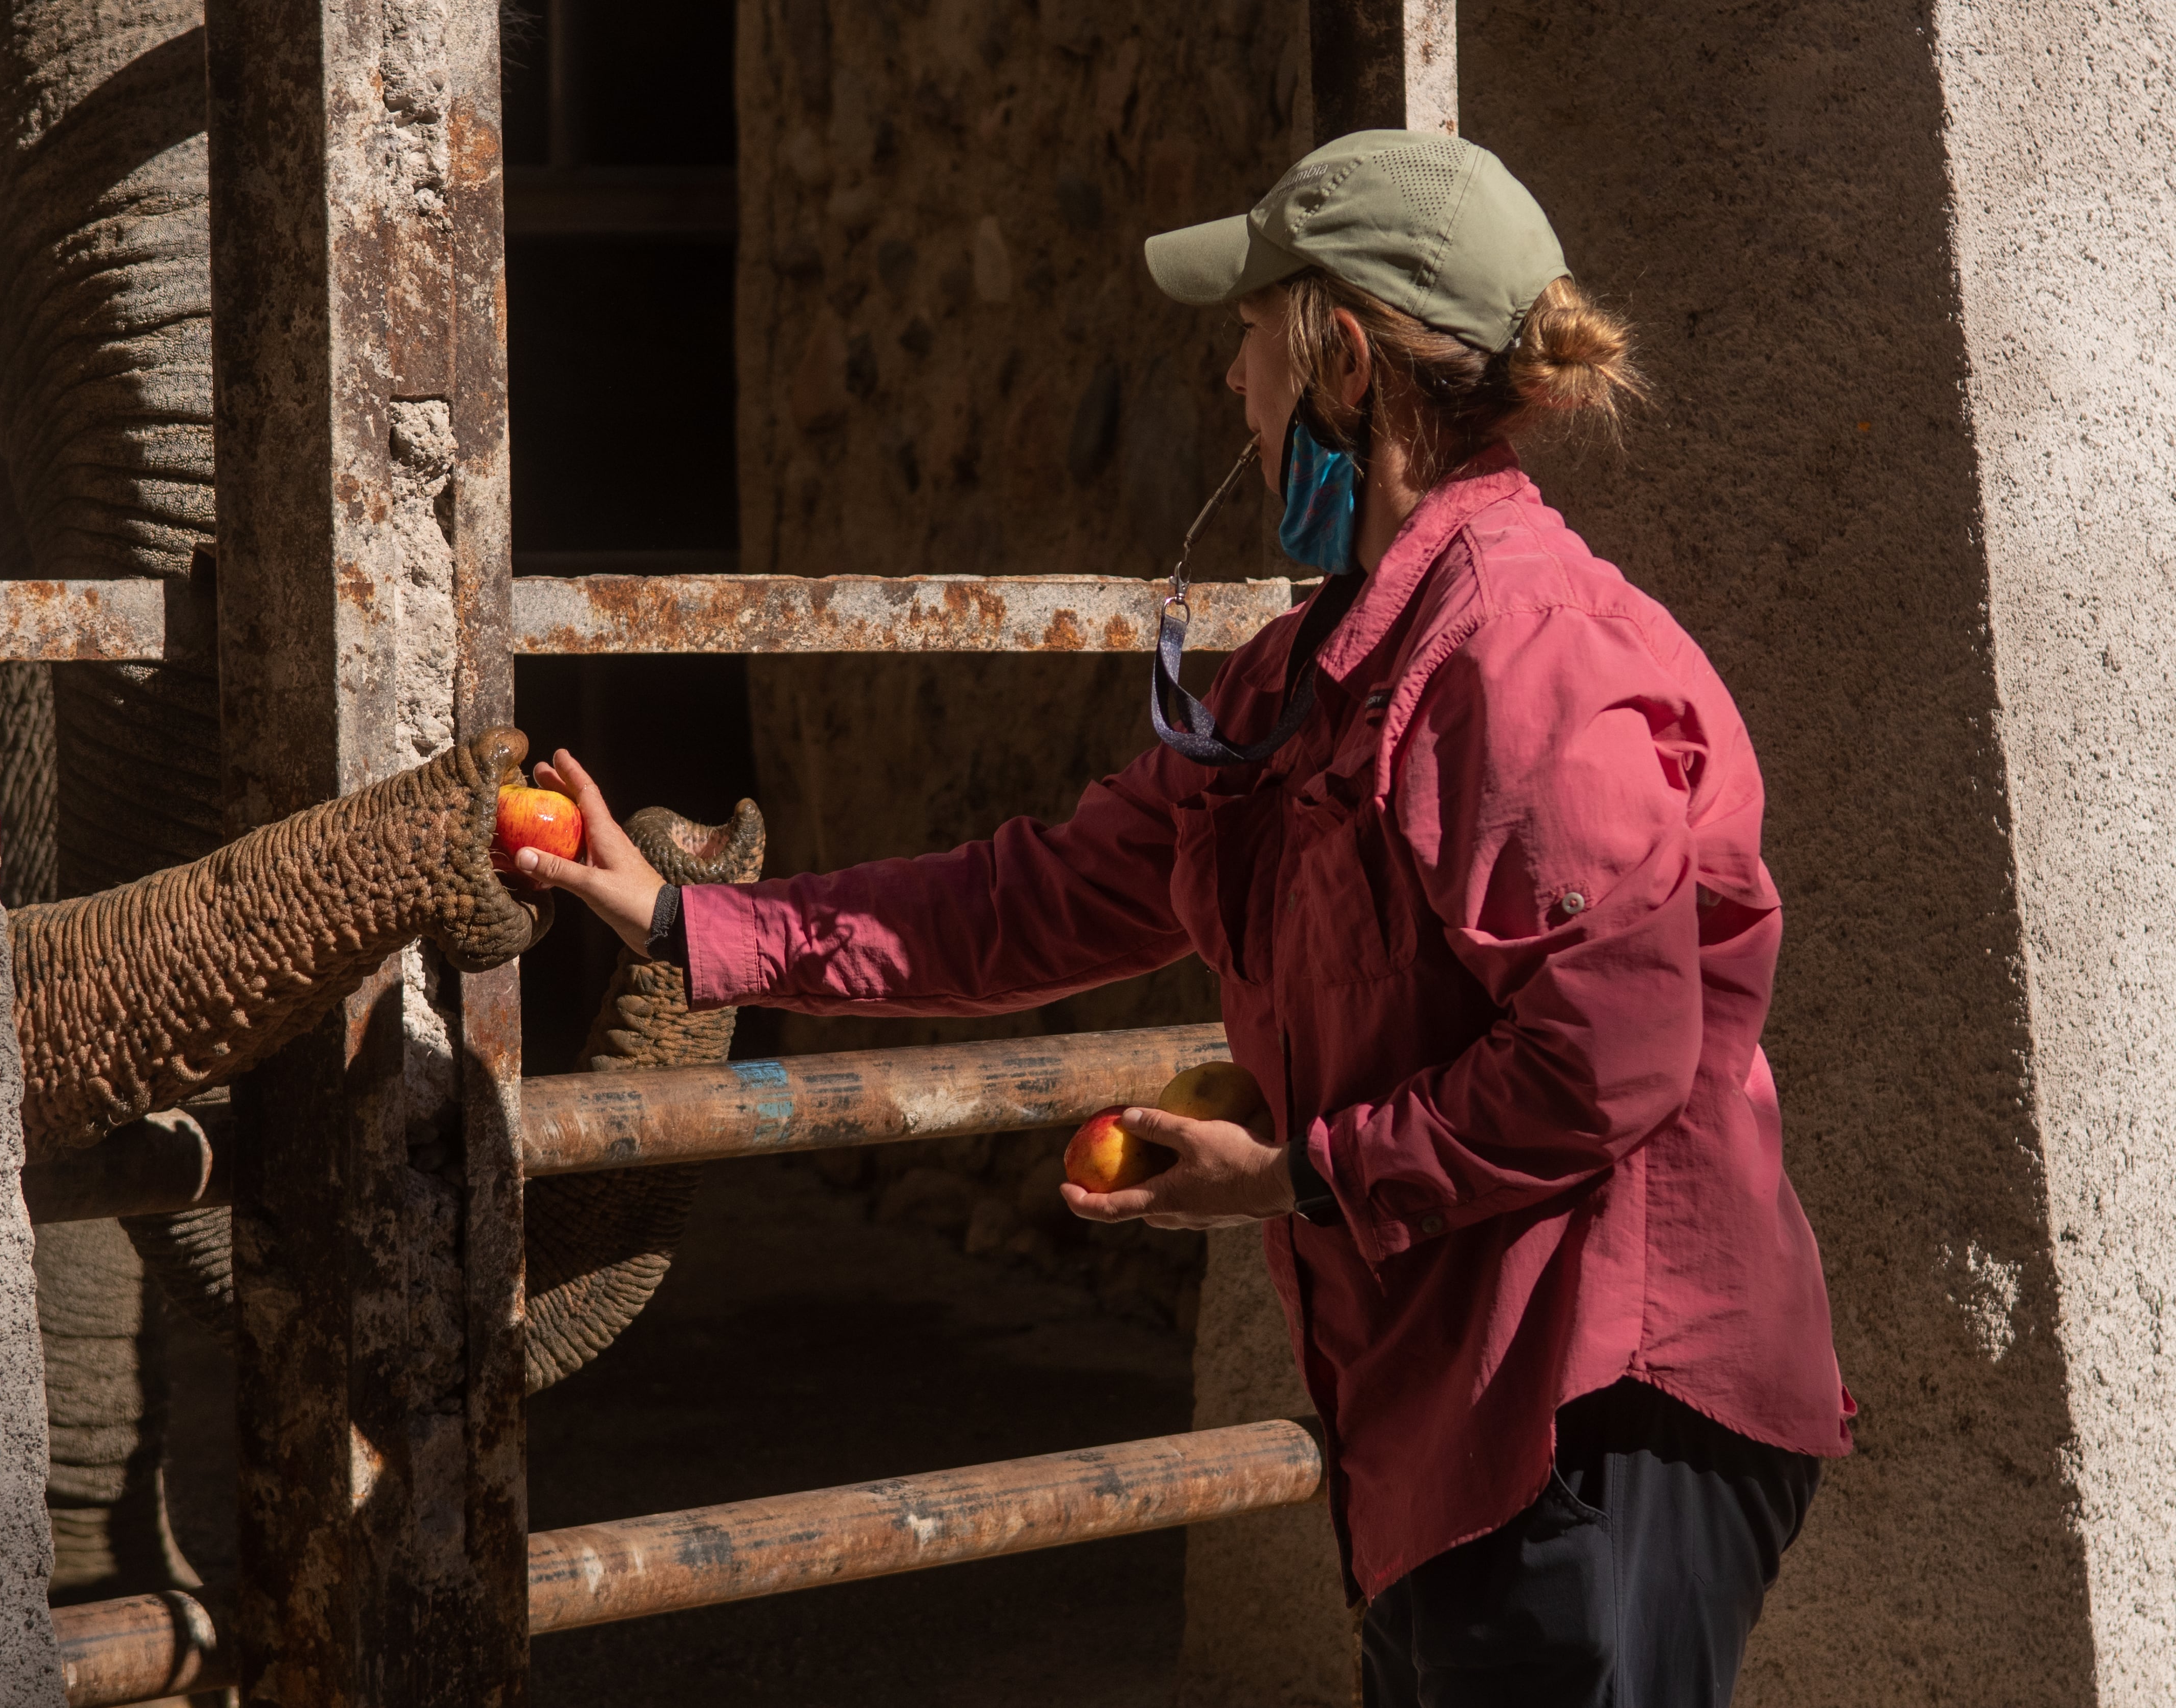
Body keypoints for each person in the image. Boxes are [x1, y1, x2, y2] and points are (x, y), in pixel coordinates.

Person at [516, 130, 1854, 1708]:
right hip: (1455, 1400)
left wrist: (1298, 1178)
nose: (1232, 387)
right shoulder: (1308, 673)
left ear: (1341, 359)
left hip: (1590, 1399)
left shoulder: (1529, 657)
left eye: (1247, 338)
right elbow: (1042, 898)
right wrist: (691, 921)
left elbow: (1611, 1055)